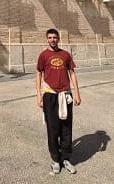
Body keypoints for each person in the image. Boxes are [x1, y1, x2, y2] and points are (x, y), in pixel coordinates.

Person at [36, 28, 81, 175]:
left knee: (66, 128)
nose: (53, 40)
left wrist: (77, 94)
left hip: (65, 95)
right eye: (50, 37)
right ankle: (55, 160)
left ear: (58, 39)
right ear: (47, 39)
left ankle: (66, 158)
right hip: (50, 95)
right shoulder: (43, 55)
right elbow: (38, 75)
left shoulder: (65, 55)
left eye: (55, 37)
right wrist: (39, 95)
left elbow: (72, 74)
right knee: (52, 129)